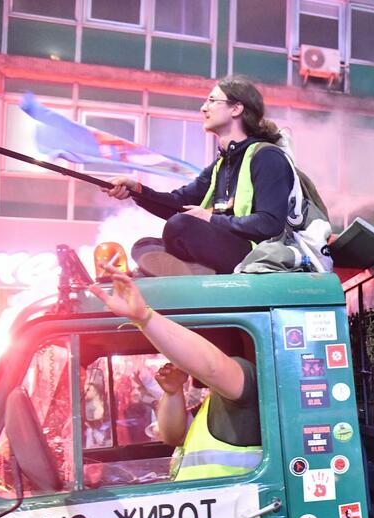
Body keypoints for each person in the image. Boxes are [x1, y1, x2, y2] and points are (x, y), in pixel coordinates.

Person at [104, 76, 295, 276]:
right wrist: (137, 190)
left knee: (180, 226)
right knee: (143, 246)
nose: (204, 108)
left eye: (212, 101)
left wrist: (210, 219)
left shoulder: (266, 156)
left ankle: (185, 269)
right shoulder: (220, 166)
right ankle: (196, 269)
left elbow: (269, 223)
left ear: (236, 109)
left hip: (252, 254)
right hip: (220, 246)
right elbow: (177, 203)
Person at [88, 268, 261, 481]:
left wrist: (145, 318)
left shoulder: (245, 380)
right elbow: (173, 435)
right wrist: (172, 392)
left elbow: (212, 366)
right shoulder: (215, 400)